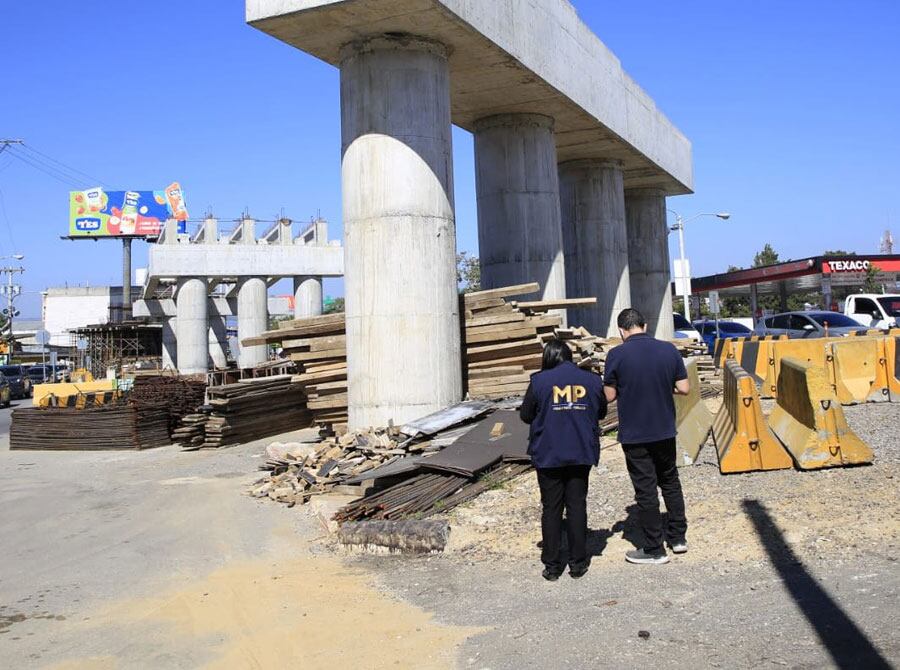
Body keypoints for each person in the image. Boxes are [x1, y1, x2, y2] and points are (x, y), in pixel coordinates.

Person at [603, 307, 690, 565]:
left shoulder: (616, 355)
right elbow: (684, 388)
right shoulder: (668, 350)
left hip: (635, 434)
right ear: (645, 325)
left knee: (646, 490)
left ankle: (654, 548)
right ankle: (678, 538)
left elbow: (609, 396)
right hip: (664, 429)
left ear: (621, 331)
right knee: (670, 481)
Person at [520, 338, 607, 581]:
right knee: (577, 505)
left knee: (552, 507)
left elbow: (525, 415)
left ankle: (552, 565)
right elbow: (601, 411)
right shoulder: (591, 380)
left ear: (548, 357)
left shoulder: (539, 381)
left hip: (549, 453)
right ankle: (578, 563)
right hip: (580, 451)